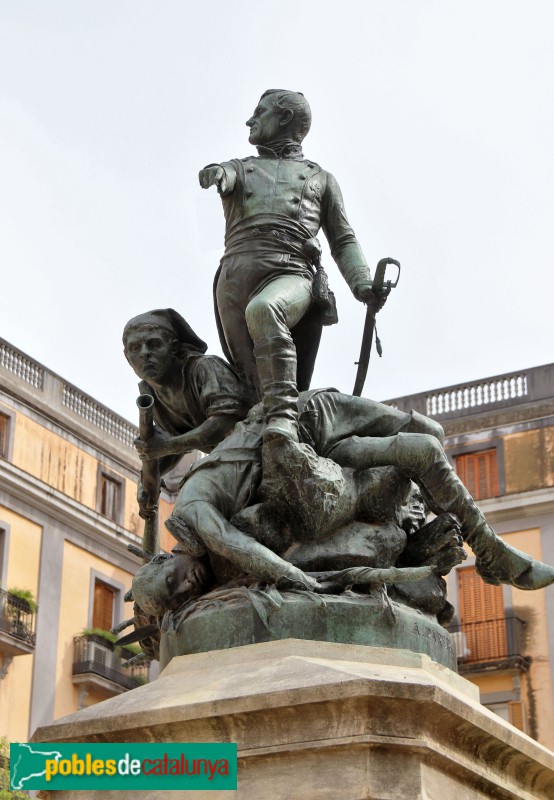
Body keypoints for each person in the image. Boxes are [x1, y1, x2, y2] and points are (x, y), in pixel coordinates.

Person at [199, 89, 387, 440]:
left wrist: (363, 284)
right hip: (235, 278)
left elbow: (343, 239)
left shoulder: (320, 179)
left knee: (265, 311)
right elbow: (226, 174)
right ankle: (263, 439)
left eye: (260, 112)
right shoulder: (239, 169)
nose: (249, 121)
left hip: (292, 273)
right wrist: (218, 175)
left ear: (284, 118)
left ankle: (284, 420)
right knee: (253, 390)